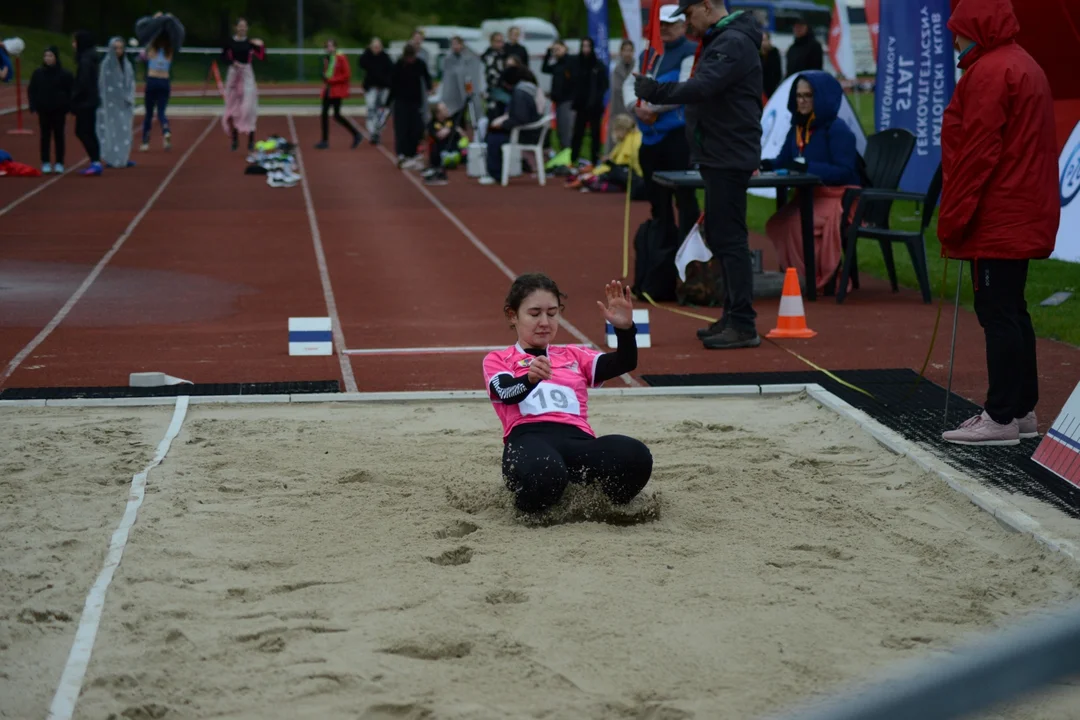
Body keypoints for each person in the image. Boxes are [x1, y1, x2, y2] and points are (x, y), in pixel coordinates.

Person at [939, 0, 1059, 447]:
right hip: (1018, 206)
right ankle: (1021, 409)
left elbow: (977, 153)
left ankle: (1001, 415)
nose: (954, 39)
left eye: (960, 29)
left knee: (998, 311)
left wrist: (952, 218)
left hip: (999, 210)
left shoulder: (991, 72)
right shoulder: (1021, 63)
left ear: (979, 28)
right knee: (1012, 308)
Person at [635, 0, 764, 350]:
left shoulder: (732, 42)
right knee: (723, 237)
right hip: (720, 152)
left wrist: (656, 91)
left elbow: (703, 87)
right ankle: (733, 315)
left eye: (689, 14)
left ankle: (743, 323)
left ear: (707, 6)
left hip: (728, 154)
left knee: (730, 239)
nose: (687, 23)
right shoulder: (723, 39)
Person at [483, 273, 653, 514]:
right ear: (513, 316)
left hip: (578, 442)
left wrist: (625, 330)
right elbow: (504, 391)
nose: (544, 322)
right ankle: (531, 511)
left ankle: (601, 508)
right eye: (534, 314)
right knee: (546, 473)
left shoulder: (574, 355)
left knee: (635, 456)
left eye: (552, 314)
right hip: (528, 442)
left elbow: (624, 362)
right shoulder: (499, 359)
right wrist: (529, 379)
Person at [762, 72, 861, 293]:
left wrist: (808, 167)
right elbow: (783, 160)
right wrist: (763, 165)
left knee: (796, 223)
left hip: (839, 197)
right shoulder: (797, 128)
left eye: (808, 95)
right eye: (798, 96)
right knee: (778, 222)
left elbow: (845, 172)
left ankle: (819, 279)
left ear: (822, 98)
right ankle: (800, 275)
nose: (802, 101)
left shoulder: (837, 130)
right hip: (810, 196)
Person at [623, 5, 700, 243]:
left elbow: (682, 88)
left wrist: (650, 108)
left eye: (670, 23)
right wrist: (635, 108)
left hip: (676, 137)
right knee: (656, 197)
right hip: (649, 138)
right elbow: (628, 85)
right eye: (662, 24)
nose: (665, 28)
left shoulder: (691, 51)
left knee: (684, 196)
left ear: (683, 25)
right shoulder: (648, 52)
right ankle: (662, 249)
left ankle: (689, 248)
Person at [479, 66, 542, 185]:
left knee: (493, 138)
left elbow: (519, 118)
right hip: (531, 132)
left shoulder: (520, 93)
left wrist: (502, 125)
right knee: (495, 135)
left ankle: (495, 174)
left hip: (524, 134)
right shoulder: (529, 90)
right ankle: (497, 172)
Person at [221, 18, 265, 152]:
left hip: (247, 74)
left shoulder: (250, 43)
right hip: (234, 74)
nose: (242, 29)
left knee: (249, 107)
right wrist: (232, 63)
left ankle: (251, 139)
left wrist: (261, 45)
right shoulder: (230, 42)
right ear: (236, 27)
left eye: (244, 26)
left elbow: (262, 57)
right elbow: (223, 56)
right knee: (234, 108)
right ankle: (235, 140)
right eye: (240, 26)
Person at [28, 46, 73, 174]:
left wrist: (68, 106)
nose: (47, 58)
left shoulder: (65, 74)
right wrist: (33, 105)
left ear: (56, 57)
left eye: (50, 56)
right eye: (46, 56)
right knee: (45, 136)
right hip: (44, 110)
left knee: (59, 136)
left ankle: (59, 162)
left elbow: (71, 91)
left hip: (59, 110)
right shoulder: (38, 73)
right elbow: (32, 90)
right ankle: (45, 161)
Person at [387, 43, 432, 169]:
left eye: (413, 57)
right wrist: (388, 102)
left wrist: (429, 88)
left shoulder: (420, 64)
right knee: (402, 129)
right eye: (409, 58)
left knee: (416, 128)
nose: (411, 60)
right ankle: (402, 154)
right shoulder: (398, 65)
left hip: (415, 102)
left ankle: (413, 153)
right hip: (401, 102)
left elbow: (426, 77)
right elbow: (392, 84)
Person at [97, 37, 136, 169]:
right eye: (115, 48)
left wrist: (128, 97)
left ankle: (123, 158)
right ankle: (111, 158)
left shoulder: (127, 64)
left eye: (120, 48)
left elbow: (130, 82)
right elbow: (103, 85)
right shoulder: (106, 65)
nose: (118, 51)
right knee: (110, 130)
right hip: (110, 105)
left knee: (124, 131)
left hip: (124, 104)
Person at [569, 37, 609, 166]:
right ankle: (573, 159)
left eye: (588, 46)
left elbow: (604, 85)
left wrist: (596, 99)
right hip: (580, 105)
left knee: (595, 134)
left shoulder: (598, 65)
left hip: (595, 107)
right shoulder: (576, 63)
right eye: (583, 46)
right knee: (577, 134)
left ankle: (594, 160)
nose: (585, 49)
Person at [315, 39, 361, 150]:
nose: (329, 48)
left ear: (335, 47)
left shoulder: (341, 57)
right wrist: (324, 77)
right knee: (324, 114)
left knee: (337, 115)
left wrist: (332, 80)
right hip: (328, 89)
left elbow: (347, 74)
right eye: (327, 46)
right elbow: (327, 72)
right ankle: (324, 141)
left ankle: (356, 134)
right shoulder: (327, 58)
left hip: (336, 90)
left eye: (331, 46)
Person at [70, 30, 103, 177]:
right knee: (88, 131)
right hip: (91, 101)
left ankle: (95, 161)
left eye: (75, 41)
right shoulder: (90, 58)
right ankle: (95, 161)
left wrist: (73, 98)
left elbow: (82, 83)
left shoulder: (85, 60)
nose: (73, 44)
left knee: (82, 131)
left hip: (85, 102)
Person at [439, 36, 485, 131]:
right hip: (453, 94)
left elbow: (474, 73)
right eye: (453, 44)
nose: (455, 46)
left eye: (457, 44)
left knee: (473, 115)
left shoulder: (470, 57)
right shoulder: (449, 59)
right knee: (455, 118)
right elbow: (447, 77)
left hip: (468, 90)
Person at [141, 25, 174, 152]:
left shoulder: (151, 48)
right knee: (161, 111)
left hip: (152, 80)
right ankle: (165, 129)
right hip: (164, 81)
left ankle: (145, 141)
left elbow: (144, 55)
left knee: (149, 113)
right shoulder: (169, 50)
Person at [358, 37, 393, 146]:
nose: (376, 49)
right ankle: (372, 131)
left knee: (382, 111)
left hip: (383, 88)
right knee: (371, 108)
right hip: (371, 88)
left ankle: (378, 131)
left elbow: (391, 70)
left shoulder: (385, 57)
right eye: (374, 46)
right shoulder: (367, 57)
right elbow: (361, 63)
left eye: (378, 46)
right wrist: (368, 51)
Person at [541, 40, 574, 150]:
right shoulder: (556, 65)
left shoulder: (570, 62)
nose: (556, 52)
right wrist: (548, 53)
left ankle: (568, 151)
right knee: (560, 129)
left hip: (567, 100)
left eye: (558, 49)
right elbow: (544, 68)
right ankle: (563, 150)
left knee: (566, 129)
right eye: (554, 50)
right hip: (558, 101)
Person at [606, 40, 636, 154]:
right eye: (625, 50)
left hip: (633, 110)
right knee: (616, 139)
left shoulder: (637, 68)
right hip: (618, 109)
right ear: (621, 52)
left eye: (630, 50)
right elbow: (616, 89)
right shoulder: (616, 69)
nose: (627, 53)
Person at [760, 30, 782, 99]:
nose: (763, 43)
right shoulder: (757, 54)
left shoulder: (774, 53)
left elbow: (777, 72)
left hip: (771, 89)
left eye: (764, 40)